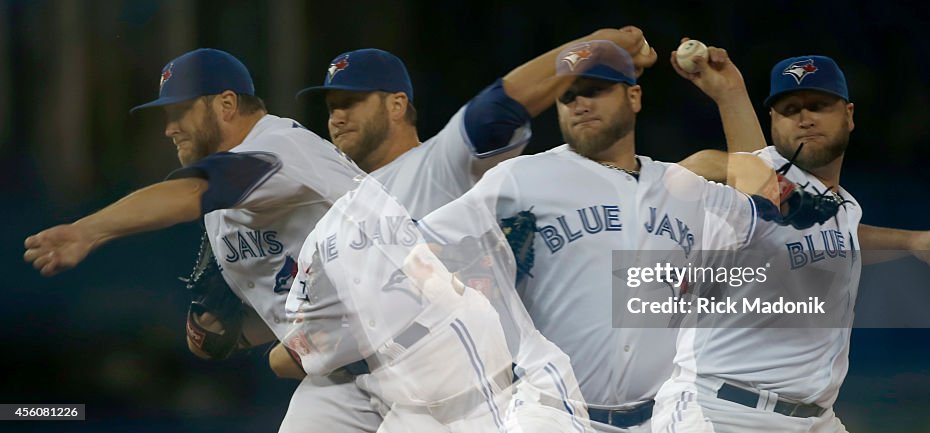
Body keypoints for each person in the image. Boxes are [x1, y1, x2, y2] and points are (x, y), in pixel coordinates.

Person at [267, 28, 660, 433]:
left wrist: (594, 45)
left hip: (448, 377)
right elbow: (299, 340)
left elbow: (500, 106)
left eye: (350, 102)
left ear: (397, 105)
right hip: (353, 374)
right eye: (332, 106)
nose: (337, 117)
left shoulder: (439, 163)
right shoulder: (340, 208)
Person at [419, 38, 820, 433]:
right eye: (568, 95)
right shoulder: (521, 178)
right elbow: (421, 248)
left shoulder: (681, 188)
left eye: (595, 90)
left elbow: (765, 198)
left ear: (634, 97)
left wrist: (729, 96)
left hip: (663, 415)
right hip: (552, 414)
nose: (580, 103)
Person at [22, 48, 375, 432]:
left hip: (411, 344)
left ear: (226, 104)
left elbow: (191, 193)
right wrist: (236, 330)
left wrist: (88, 230)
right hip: (345, 370)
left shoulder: (277, 147)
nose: (169, 128)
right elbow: (288, 298)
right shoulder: (227, 195)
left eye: (179, 112)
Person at [653, 55, 930, 433]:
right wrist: (731, 107)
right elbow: (692, 169)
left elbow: (837, 238)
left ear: (849, 115)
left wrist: (913, 242)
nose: (805, 118)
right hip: (723, 412)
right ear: (773, 123)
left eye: (819, 106)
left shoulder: (841, 204)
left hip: (817, 419)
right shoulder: (759, 181)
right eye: (790, 110)